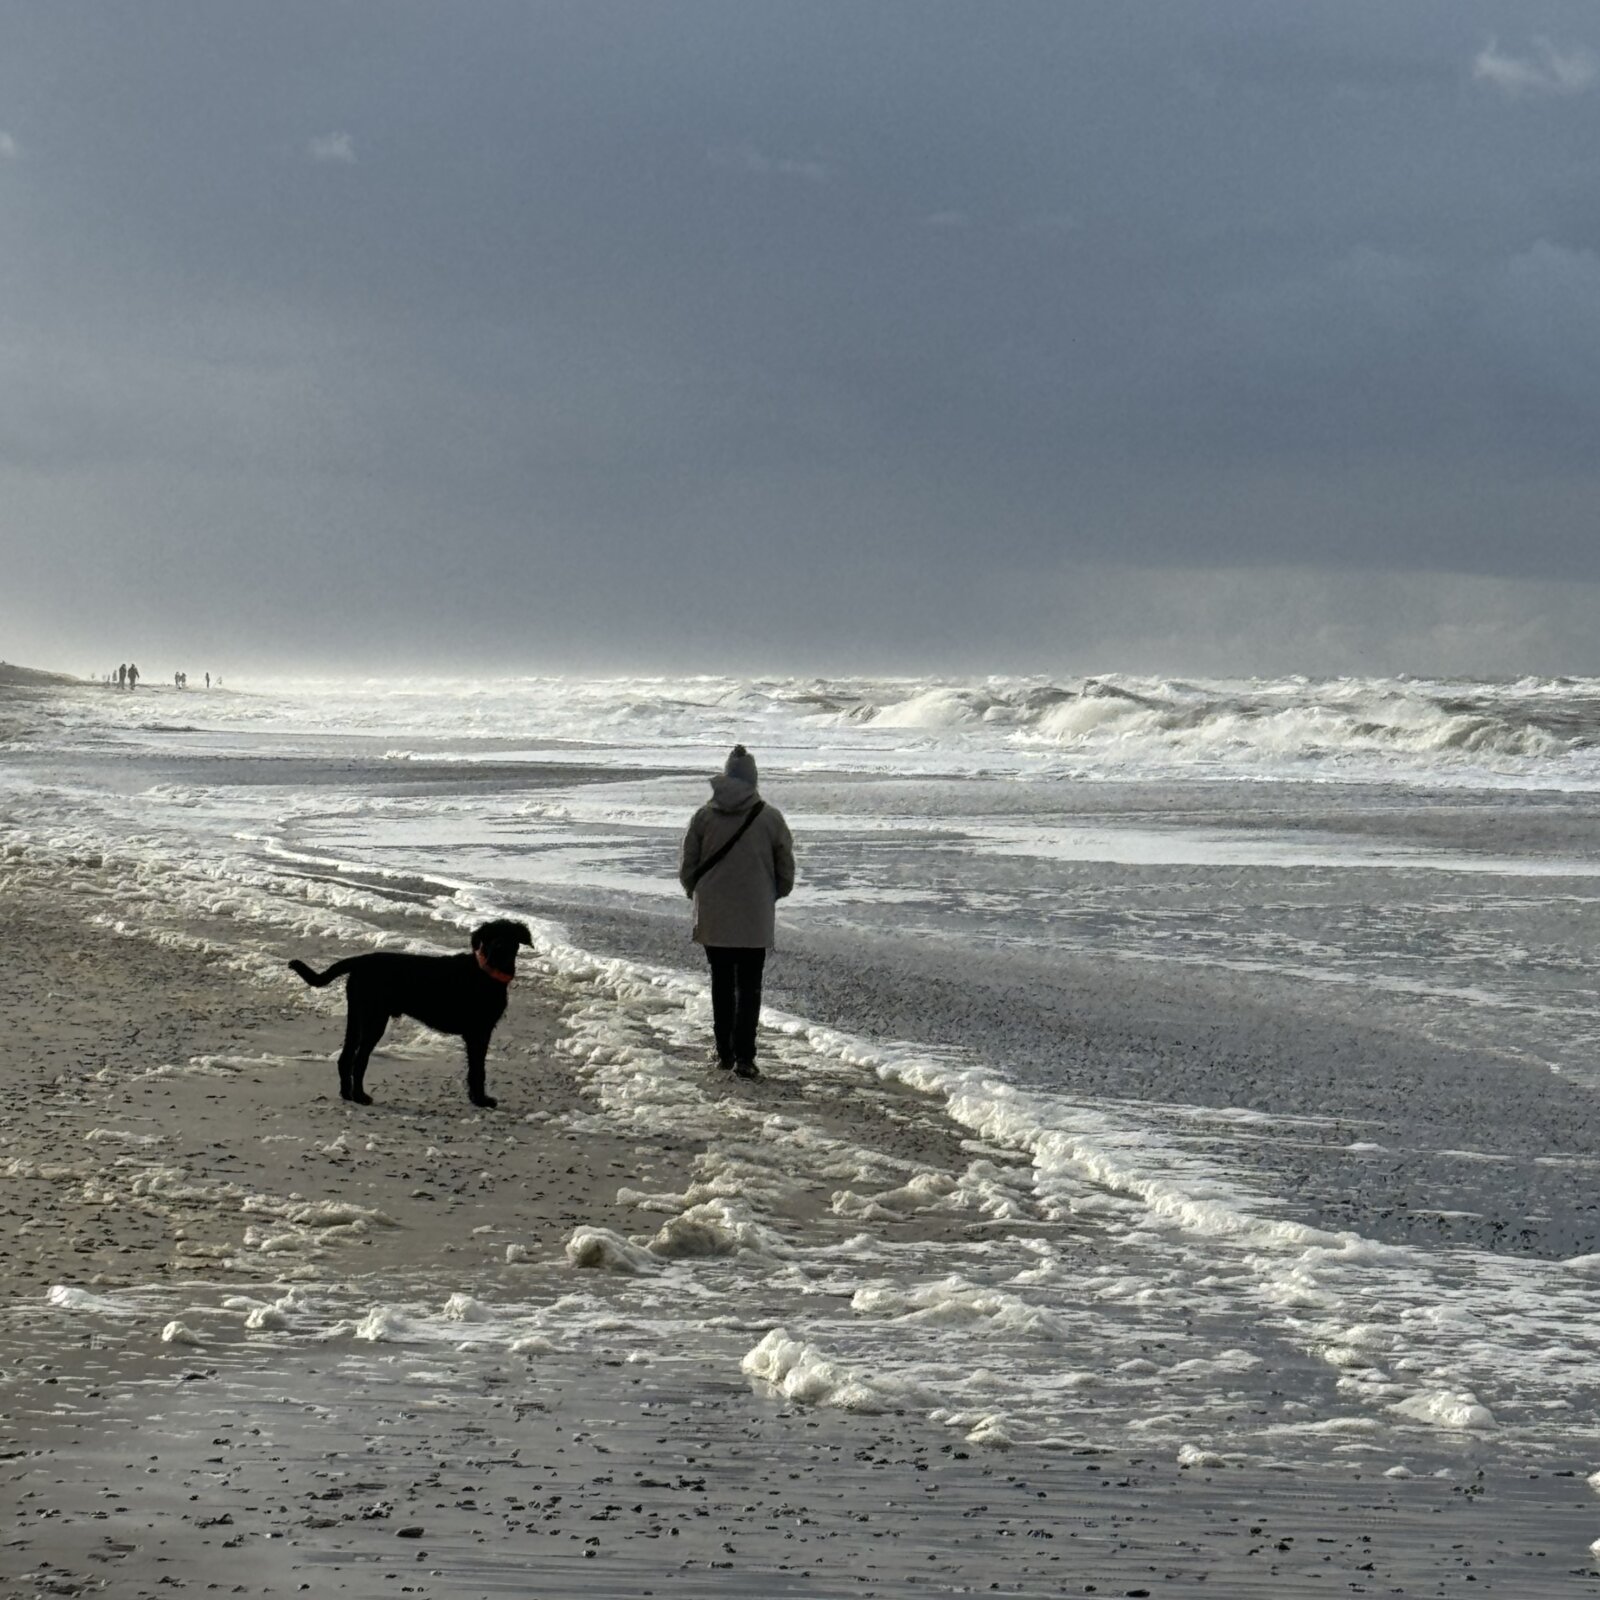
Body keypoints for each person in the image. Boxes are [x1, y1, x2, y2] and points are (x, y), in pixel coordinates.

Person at [678, 745, 794, 1079]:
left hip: (714, 911)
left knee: (721, 983)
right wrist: (770, 896)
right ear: (753, 779)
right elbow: (786, 870)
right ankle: (745, 1056)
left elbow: (688, 866)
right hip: (754, 914)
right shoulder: (770, 818)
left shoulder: (703, 816)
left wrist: (699, 894)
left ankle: (724, 1052)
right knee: (750, 986)